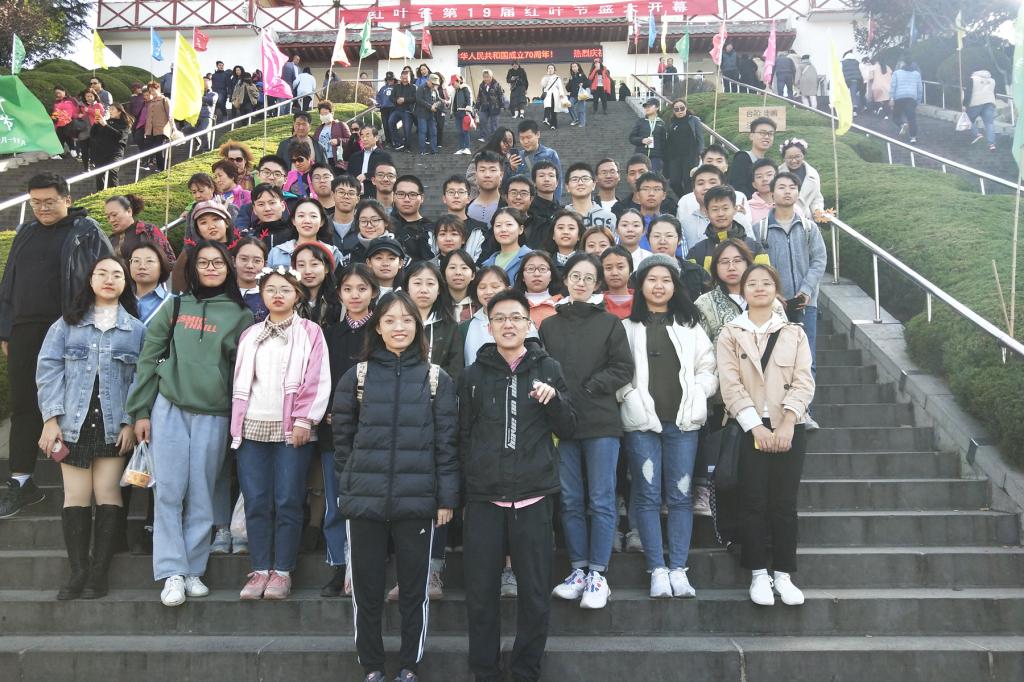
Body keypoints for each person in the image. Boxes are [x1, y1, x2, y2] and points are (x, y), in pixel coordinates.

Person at [332, 290, 459, 682]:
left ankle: (408, 665)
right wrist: (349, 484)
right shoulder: (358, 376)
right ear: (378, 328)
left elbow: (447, 443)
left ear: (417, 326)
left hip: (418, 500)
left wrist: (446, 497)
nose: (398, 327)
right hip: (364, 499)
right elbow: (342, 440)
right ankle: (371, 666)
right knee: (366, 590)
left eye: (406, 320)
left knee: (414, 590)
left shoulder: (436, 378)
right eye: (389, 320)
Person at [126, 241, 253, 607]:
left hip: (214, 413)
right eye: (204, 263)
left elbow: (241, 372)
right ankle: (172, 572)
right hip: (169, 408)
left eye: (218, 263)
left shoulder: (241, 314)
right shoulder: (176, 305)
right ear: (193, 269)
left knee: (202, 493)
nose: (211, 268)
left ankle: (193, 569)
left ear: (228, 269)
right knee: (168, 491)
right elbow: (148, 358)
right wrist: (141, 411)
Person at [459, 287, 576, 682]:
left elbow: (569, 427)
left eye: (516, 318)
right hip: (485, 498)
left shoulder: (549, 368)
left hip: (534, 494)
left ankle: (526, 670)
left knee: (536, 595)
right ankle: (485, 671)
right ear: (488, 326)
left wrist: (554, 400)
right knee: (481, 595)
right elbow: (462, 436)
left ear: (529, 324)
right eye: (500, 318)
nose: (508, 325)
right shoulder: (473, 375)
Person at [0, 174, 113, 518]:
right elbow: (9, 283)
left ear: (67, 199)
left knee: (73, 404)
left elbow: (109, 275)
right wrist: (6, 330)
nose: (42, 208)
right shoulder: (25, 231)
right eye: (35, 202)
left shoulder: (86, 230)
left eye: (49, 201)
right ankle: (22, 481)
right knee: (24, 404)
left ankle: (79, 484)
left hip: (69, 329)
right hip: (24, 330)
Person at [36, 255, 145, 600]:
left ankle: (99, 573)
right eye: (102, 273)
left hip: (114, 426)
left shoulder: (136, 330)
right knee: (75, 496)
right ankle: (78, 572)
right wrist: (50, 420)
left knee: (109, 493)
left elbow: (141, 380)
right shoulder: (65, 325)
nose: (109, 279)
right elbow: (48, 371)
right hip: (72, 424)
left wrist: (129, 421)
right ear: (90, 280)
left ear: (125, 283)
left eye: (117, 275)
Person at [717, 263, 814, 607]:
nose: (759, 288)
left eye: (766, 283)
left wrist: (787, 423)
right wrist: (756, 427)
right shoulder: (731, 333)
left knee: (784, 504)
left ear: (776, 291)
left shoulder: (794, 333)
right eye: (752, 283)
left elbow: (804, 381)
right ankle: (758, 573)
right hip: (748, 427)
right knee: (753, 502)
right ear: (743, 292)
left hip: (789, 427)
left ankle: (784, 574)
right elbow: (730, 384)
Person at [620, 254, 716, 599]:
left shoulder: (689, 326)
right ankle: (656, 569)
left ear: (675, 286)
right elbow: (618, 371)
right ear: (641, 285)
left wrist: (699, 392)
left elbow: (708, 368)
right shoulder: (627, 327)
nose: (659, 286)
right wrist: (630, 397)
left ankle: (678, 567)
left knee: (680, 495)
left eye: (666, 280)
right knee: (646, 495)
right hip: (642, 424)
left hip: (683, 423)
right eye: (652, 279)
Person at [540, 253, 634, 610]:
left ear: (597, 284)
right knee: (570, 499)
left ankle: (598, 573)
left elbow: (623, 368)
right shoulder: (549, 325)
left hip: (601, 421)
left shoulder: (609, 323)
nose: (581, 283)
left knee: (601, 498)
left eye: (588, 278)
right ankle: (578, 569)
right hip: (562, 422)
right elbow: (542, 368)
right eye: (575, 276)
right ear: (566, 280)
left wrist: (592, 386)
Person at [231, 265, 330, 600]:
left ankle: (283, 571)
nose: (277, 295)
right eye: (271, 289)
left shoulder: (310, 332)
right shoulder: (250, 334)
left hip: (292, 429)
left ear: (297, 295)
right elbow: (240, 380)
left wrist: (305, 420)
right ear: (262, 294)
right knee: (256, 500)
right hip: (252, 427)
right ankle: (260, 569)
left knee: (287, 499)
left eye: (285, 290)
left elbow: (318, 377)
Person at [755, 172, 827, 430]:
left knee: (807, 360)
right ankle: (775, 412)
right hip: (773, 306)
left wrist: (806, 291)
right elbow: (759, 265)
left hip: (806, 304)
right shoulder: (760, 229)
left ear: (798, 192)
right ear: (772, 193)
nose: (787, 191)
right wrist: (774, 293)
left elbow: (819, 260)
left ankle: (804, 412)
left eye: (792, 187)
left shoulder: (809, 227)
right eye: (781, 187)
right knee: (775, 359)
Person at [687, 185, 769, 273]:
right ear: (707, 213)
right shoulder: (697, 252)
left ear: (735, 210)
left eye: (725, 208)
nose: (720, 214)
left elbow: (764, 278)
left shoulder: (754, 248)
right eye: (715, 209)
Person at [678, 163, 752, 249]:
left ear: (723, 186)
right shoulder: (685, 224)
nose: (707, 187)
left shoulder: (739, 218)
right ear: (694, 190)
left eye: (712, 182)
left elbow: (752, 249)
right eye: (700, 183)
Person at [267, 198, 343, 268]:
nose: (307, 221)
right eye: (301, 216)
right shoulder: (277, 252)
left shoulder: (332, 253)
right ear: (293, 221)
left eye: (313, 216)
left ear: (322, 222)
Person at [103, 195, 176, 266]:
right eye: (108, 217)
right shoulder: (111, 239)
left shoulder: (148, 230)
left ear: (129, 211)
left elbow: (170, 260)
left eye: (114, 215)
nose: (111, 220)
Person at [510, 120, 563, 202]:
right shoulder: (518, 157)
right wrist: (512, 169)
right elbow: (512, 183)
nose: (525, 141)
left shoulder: (550, 154)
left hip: (545, 201)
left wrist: (556, 203)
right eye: (522, 138)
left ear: (537, 134)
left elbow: (558, 181)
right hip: (524, 202)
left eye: (528, 137)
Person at [728, 116, 776, 199]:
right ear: (751, 136)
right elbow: (737, 187)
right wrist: (758, 202)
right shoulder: (742, 158)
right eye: (762, 133)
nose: (767, 137)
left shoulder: (768, 163)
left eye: (770, 134)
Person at [664, 99, 704, 197]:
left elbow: (700, 138)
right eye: (676, 109)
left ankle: (688, 201)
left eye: (682, 108)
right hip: (674, 157)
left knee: (688, 181)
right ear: (673, 111)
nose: (680, 111)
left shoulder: (693, 120)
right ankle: (683, 199)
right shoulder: (672, 123)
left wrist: (700, 152)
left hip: (690, 156)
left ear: (686, 108)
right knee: (674, 182)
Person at [481, 208, 532, 282]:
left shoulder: (530, 258)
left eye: (509, 224)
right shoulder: (487, 264)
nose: (503, 229)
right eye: (498, 225)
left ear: (521, 229)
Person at [514, 251, 563, 327]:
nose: (536, 274)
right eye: (530, 269)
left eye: (542, 269)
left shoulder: (562, 304)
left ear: (551, 276)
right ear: (522, 276)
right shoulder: (513, 304)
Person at [391, 175, 435, 261]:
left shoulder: (431, 229)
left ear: (422, 198)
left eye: (412, 195)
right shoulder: (385, 226)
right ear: (393, 196)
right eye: (401, 194)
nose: (406, 199)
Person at [89, 103, 132, 190]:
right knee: (99, 175)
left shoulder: (124, 124)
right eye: (109, 109)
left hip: (115, 153)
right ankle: (100, 195)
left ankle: (114, 193)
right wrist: (96, 124)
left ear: (119, 111)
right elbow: (92, 135)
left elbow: (119, 136)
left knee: (112, 171)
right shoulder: (106, 122)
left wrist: (105, 125)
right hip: (101, 152)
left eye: (112, 109)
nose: (110, 111)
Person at [778, 139, 824, 220]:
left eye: (797, 156)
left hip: (806, 221)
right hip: (784, 218)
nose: (794, 161)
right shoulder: (777, 173)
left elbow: (816, 198)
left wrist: (817, 211)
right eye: (789, 157)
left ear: (803, 155)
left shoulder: (812, 174)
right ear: (784, 158)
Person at [129, 242, 172, 326]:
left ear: (161, 266)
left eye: (149, 261)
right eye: (136, 261)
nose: (142, 266)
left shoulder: (172, 302)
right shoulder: (119, 299)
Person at [347, 126, 394, 197]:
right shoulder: (354, 157)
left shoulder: (384, 156)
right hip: (356, 194)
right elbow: (349, 174)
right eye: (362, 136)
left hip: (376, 193)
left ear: (376, 138)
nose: (364, 139)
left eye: (368, 136)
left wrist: (367, 176)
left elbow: (391, 174)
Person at [467, 151, 506, 233]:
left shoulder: (508, 207)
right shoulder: (465, 209)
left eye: (492, 170)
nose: (487, 175)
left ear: (501, 175)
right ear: (476, 175)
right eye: (482, 170)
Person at [233, 237, 269, 323]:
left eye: (257, 261)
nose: (250, 265)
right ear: (233, 261)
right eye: (244, 259)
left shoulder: (268, 297)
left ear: (265, 265)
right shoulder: (222, 295)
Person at [629, 98, 668, 173]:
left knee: (653, 177)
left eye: (649, 106)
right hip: (640, 156)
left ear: (657, 107)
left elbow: (664, 143)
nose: (647, 108)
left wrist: (662, 158)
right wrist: (642, 140)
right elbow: (631, 138)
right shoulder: (641, 121)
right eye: (646, 106)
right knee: (640, 177)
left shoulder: (661, 123)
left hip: (655, 158)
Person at [964, 69, 999, 152]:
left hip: (976, 103)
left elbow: (968, 93)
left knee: (968, 119)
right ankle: (992, 144)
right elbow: (994, 93)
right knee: (989, 124)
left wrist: (964, 104)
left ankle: (977, 134)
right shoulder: (992, 81)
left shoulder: (972, 79)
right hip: (989, 103)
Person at [890, 60, 923, 144]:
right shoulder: (917, 74)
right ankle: (913, 137)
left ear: (902, 64)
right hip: (911, 98)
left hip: (899, 98)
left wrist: (892, 98)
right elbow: (920, 89)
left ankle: (902, 124)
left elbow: (893, 86)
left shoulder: (896, 73)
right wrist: (918, 102)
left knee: (896, 116)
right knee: (912, 119)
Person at [314, 100, 351, 173]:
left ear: (332, 113)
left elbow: (350, 140)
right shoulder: (319, 129)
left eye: (326, 113)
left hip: (336, 161)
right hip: (322, 160)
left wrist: (338, 141)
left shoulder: (340, 125)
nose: (324, 116)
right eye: (321, 114)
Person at [143, 82, 173, 171]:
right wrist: (146, 131)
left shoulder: (165, 100)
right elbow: (148, 117)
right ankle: (154, 165)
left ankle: (162, 168)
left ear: (158, 89)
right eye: (150, 91)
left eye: (153, 90)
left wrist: (173, 128)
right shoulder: (150, 102)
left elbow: (170, 115)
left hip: (161, 129)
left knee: (159, 149)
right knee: (151, 148)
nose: (152, 92)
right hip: (151, 130)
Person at [330, 174, 362, 253]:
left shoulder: (363, 226)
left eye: (351, 193)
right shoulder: (322, 225)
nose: (346, 197)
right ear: (333, 195)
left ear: (358, 199)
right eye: (341, 192)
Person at [389, 71, 418, 151]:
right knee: (390, 122)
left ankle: (407, 147)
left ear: (409, 78)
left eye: (406, 78)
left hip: (407, 111)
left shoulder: (413, 87)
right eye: (403, 78)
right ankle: (399, 142)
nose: (405, 80)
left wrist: (404, 100)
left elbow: (415, 98)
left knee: (407, 129)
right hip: (397, 110)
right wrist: (396, 100)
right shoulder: (396, 87)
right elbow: (391, 97)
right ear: (400, 78)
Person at [415, 73, 443, 156]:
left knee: (433, 132)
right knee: (423, 132)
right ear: (429, 81)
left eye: (436, 84)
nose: (434, 85)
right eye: (433, 83)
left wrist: (437, 104)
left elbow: (438, 100)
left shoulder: (435, 89)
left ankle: (434, 150)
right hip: (422, 114)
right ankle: (422, 151)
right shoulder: (421, 88)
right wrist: (430, 106)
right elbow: (419, 100)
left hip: (431, 114)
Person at [476, 70, 505, 140]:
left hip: (495, 107)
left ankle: (494, 138)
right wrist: (477, 106)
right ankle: (483, 136)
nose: (486, 79)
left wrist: (502, 106)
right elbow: (479, 96)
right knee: (482, 120)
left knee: (494, 124)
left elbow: (501, 95)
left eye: (487, 77)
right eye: (484, 77)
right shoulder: (481, 85)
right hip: (484, 106)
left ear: (491, 77)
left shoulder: (496, 84)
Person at [539, 64, 569, 130]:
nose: (550, 69)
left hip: (555, 95)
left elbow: (560, 87)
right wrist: (546, 78)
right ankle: (546, 119)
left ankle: (553, 125)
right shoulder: (545, 77)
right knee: (547, 107)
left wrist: (561, 94)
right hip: (547, 95)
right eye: (549, 68)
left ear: (554, 70)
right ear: (547, 70)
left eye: (552, 68)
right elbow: (543, 85)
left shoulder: (557, 78)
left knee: (554, 110)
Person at [451, 75, 474, 155]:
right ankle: (461, 148)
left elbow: (469, 99)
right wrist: (452, 111)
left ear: (458, 81)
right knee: (460, 132)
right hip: (457, 113)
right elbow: (454, 102)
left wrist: (468, 110)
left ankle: (467, 148)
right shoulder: (455, 91)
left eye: (453, 83)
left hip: (464, 112)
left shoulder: (465, 88)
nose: (452, 85)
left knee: (465, 131)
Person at [567, 62, 589, 128]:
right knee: (569, 105)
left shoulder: (582, 75)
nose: (574, 68)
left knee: (581, 109)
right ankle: (575, 119)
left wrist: (583, 84)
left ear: (578, 67)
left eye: (575, 66)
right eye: (572, 67)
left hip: (581, 95)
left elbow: (588, 83)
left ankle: (582, 123)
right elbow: (568, 89)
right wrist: (568, 83)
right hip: (573, 95)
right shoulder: (571, 77)